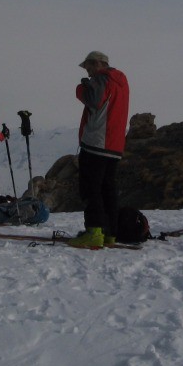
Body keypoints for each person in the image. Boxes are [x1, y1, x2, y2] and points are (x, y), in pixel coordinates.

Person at [68, 51, 130, 249]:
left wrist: (81, 88)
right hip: (114, 144)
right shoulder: (121, 82)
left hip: (97, 142)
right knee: (107, 189)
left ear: (97, 64)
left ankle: (94, 232)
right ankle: (109, 233)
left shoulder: (102, 80)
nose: (88, 72)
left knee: (91, 188)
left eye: (88, 67)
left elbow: (92, 100)